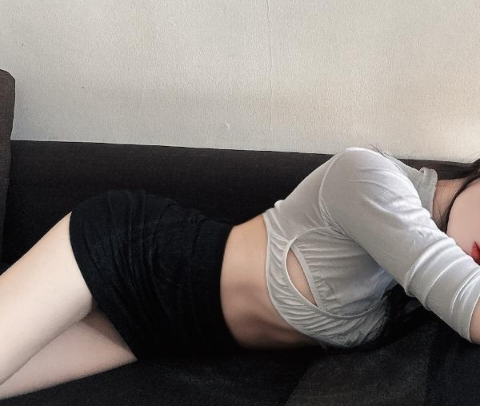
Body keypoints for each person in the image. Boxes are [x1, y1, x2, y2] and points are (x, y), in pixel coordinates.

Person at [0, 145, 480, 398]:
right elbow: (469, 302)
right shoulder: (372, 179)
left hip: (156, 336)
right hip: (124, 253)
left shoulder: (412, 289)